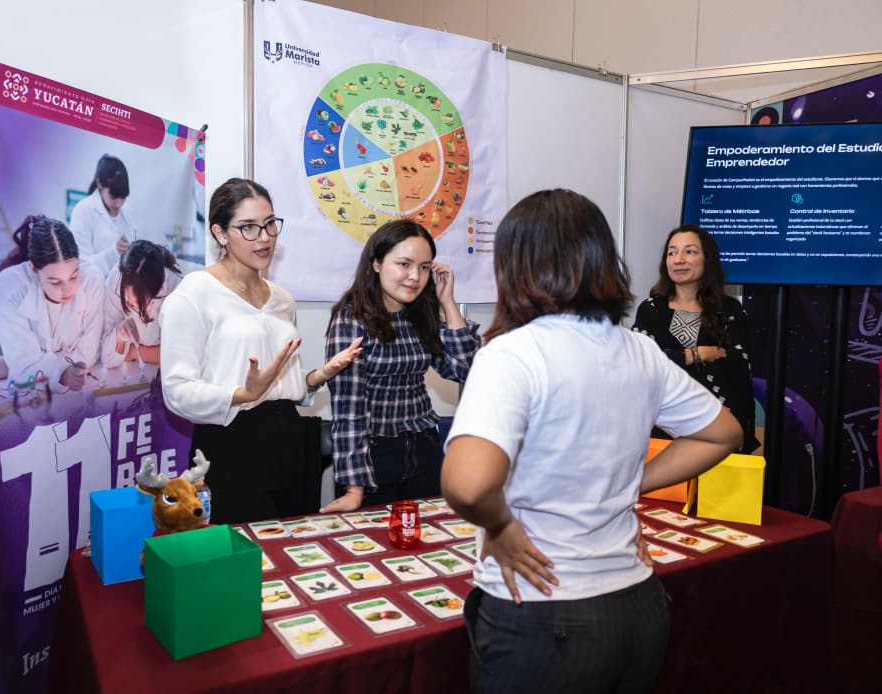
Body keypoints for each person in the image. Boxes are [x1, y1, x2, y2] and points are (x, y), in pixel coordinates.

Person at [440, 189, 742, 693]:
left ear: (516, 265)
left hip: (543, 614)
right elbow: (724, 433)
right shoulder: (640, 350)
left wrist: (500, 524)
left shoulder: (513, 353)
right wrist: (629, 484)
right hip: (637, 606)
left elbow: (469, 484)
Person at [159, 178, 362, 524]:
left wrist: (318, 377)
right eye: (248, 227)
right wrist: (241, 394)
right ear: (220, 233)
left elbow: (277, 382)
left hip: (290, 439)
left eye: (269, 224)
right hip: (230, 443)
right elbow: (176, 390)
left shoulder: (282, 298)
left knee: (296, 547)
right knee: (243, 550)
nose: (264, 237)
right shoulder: (194, 294)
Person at [319, 219, 480, 513]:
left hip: (424, 447)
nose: (415, 277)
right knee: (375, 538)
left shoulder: (421, 313)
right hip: (373, 455)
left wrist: (448, 303)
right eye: (404, 264)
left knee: (429, 536)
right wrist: (355, 488)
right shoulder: (351, 319)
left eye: (424, 267)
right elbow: (349, 407)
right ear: (376, 263)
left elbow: (466, 370)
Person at [632, 224, 759, 453]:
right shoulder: (651, 310)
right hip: (663, 433)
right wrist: (698, 354)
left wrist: (674, 359)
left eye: (689, 251)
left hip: (719, 432)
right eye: (672, 253)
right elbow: (643, 364)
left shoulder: (729, 310)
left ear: (707, 259)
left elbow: (740, 364)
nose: (678, 260)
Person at [0, 214, 104, 391]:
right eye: (55, 282)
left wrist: (22, 366)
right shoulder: (10, 287)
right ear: (33, 269)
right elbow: (24, 364)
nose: (68, 290)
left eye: (74, 276)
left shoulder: (92, 280)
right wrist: (61, 374)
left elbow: (87, 355)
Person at [101, 240, 182, 369]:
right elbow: (106, 358)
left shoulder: (176, 290)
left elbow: (180, 355)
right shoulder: (116, 279)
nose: (130, 308)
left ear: (158, 291)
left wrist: (134, 352)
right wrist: (119, 336)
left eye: (137, 304)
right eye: (128, 301)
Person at [69, 154, 137, 275]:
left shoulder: (127, 211)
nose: (118, 204)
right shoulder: (83, 210)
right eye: (113, 197)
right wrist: (113, 253)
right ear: (99, 183)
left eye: (123, 197)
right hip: (95, 284)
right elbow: (81, 265)